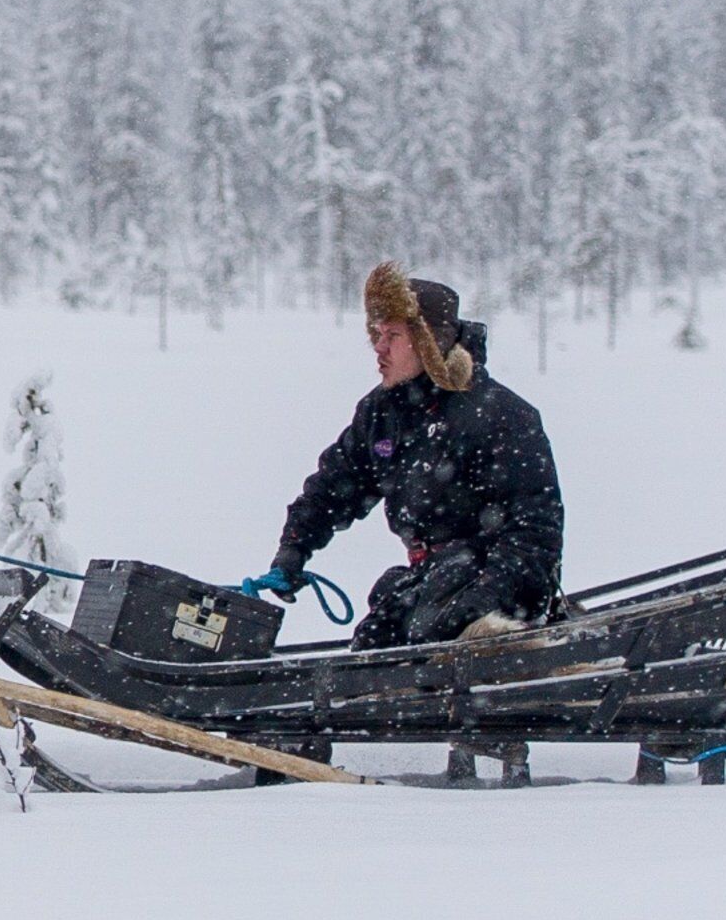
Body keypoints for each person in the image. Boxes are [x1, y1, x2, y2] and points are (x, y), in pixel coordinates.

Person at [240, 263, 563, 648]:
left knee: (426, 631)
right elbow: (334, 487)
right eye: (376, 334)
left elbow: (535, 533)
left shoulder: (501, 416)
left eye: (392, 335)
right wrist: (293, 549)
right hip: (429, 582)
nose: (378, 347)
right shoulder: (382, 413)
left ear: (429, 342)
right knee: (372, 643)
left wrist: (487, 597)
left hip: (494, 584)